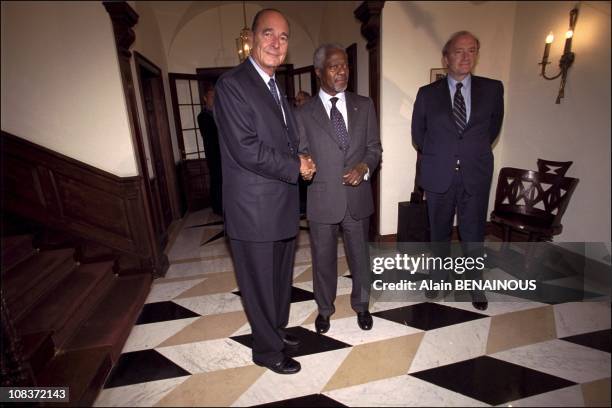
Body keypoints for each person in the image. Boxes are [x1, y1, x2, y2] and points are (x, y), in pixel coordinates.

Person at [213, 8, 315, 375]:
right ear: (252, 39)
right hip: (253, 210)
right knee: (258, 285)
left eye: (284, 37)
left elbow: (282, 142)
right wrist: (295, 166)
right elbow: (246, 148)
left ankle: (276, 331)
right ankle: (267, 352)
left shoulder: (276, 88)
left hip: (281, 205)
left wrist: (301, 158)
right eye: (269, 34)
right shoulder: (233, 85)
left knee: (277, 280)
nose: (276, 43)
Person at [411, 31, 504, 311]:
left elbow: (492, 129)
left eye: (472, 50)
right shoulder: (427, 94)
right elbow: (419, 134)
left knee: (473, 232)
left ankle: (475, 284)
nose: (466, 56)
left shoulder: (493, 89)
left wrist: (467, 154)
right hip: (439, 174)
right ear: (446, 57)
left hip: (475, 173)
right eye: (459, 51)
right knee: (439, 231)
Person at [296, 44, 382, 334]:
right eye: (334, 66)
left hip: (357, 197)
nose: (342, 71)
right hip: (322, 198)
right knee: (323, 259)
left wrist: (364, 167)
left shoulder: (364, 104)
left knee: (360, 255)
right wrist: (303, 165)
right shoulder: (304, 113)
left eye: (344, 65)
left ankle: (362, 305)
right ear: (319, 72)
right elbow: (301, 152)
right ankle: (324, 309)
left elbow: (374, 148)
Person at [197, 86, 222, 215]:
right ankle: (217, 208)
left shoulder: (218, 113)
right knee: (216, 181)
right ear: (205, 98)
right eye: (212, 97)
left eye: (215, 97)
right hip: (214, 155)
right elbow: (212, 136)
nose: (214, 99)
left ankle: (223, 206)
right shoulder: (203, 116)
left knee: (222, 181)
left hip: (223, 155)